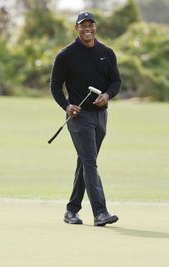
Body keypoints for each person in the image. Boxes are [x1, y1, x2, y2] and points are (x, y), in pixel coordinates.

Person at [50, 11, 120, 226]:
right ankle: (100, 212)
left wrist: (107, 95)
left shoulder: (106, 53)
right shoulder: (66, 55)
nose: (87, 28)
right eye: (83, 25)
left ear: (95, 27)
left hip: (101, 116)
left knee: (85, 161)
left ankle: (71, 210)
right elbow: (55, 86)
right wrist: (67, 105)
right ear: (77, 28)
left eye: (90, 24)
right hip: (79, 117)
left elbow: (115, 82)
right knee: (90, 162)